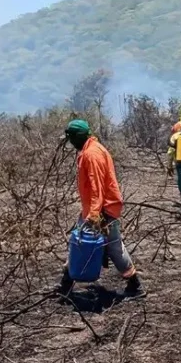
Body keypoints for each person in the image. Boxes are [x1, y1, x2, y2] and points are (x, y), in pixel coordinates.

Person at [57, 119, 145, 298]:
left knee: (111, 247)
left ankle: (135, 285)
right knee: (79, 240)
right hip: (97, 208)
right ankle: (65, 283)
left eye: (72, 139)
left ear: (77, 137)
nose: (71, 143)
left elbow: (97, 188)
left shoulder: (91, 155)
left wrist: (94, 215)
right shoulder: (93, 149)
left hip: (101, 210)